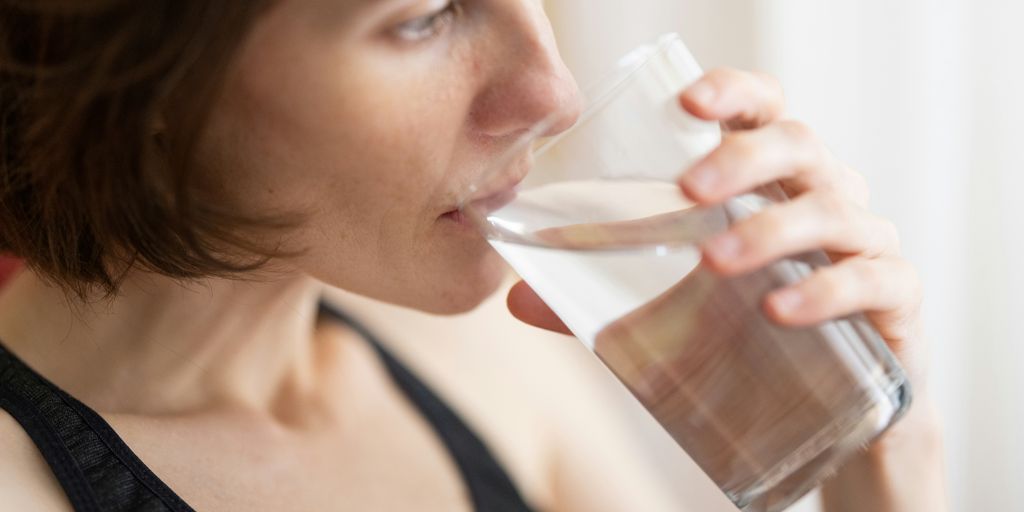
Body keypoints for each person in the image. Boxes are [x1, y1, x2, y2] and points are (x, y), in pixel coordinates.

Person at [0, 1, 948, 511]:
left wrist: (882, 450)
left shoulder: (484, 358)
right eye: (425, 15)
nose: (554, 92)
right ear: (140, 76)